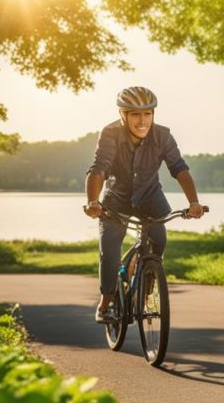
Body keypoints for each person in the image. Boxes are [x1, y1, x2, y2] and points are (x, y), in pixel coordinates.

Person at [84, 86, 205, 323]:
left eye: (147, 114)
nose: (142, 120)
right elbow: (99, 169)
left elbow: (179, 168)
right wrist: (92, 202)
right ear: (123, 115)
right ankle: (106, 303)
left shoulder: (163, 136)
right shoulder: (110, 134)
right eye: (136, 114)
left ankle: (147, 283)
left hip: (151, 198)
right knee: (109, 250)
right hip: (115, 201)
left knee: (159, 241)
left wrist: (194, 202)